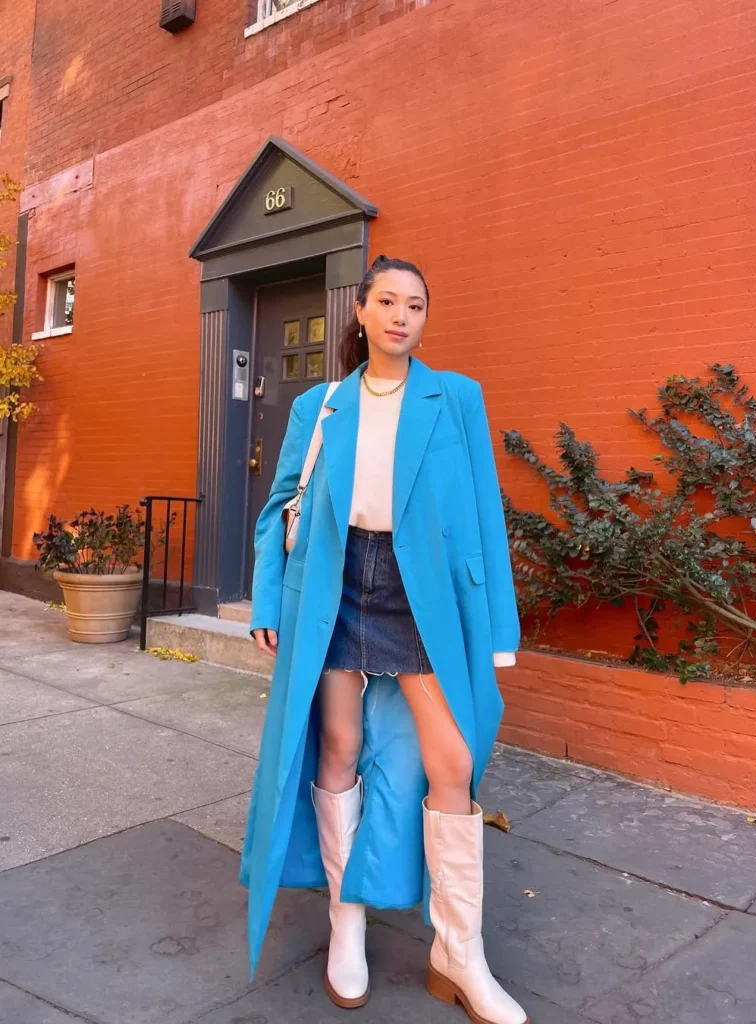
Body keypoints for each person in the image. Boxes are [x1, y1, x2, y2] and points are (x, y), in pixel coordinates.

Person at [243, 254, 527, 1024]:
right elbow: (278, 506)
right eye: (389, 301)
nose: (402, 316)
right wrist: (267, 597)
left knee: (453, 762)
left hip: (417, 589)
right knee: (337, 748)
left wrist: (497, 626)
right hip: (334, 584)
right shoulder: (320, 405)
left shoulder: (455, 397)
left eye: (416, 305)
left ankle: (457, 953)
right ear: (361, 312)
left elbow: (484, 512)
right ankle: (346, 925)